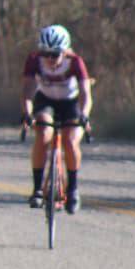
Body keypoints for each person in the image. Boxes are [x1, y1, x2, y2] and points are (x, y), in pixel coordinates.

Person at [20, 24, 93, 213]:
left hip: (71, 103)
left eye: (55, 54)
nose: (50, 59)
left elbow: (85, 93)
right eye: (45, 54)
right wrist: (27, 113)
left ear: (65, 51)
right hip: (46, 101)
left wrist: (84, 115)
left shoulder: (75, 62)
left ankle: (73, 188)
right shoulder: (34, 60)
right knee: (43, 134)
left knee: (69, 141)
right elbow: (27, 91)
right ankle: (37, 188)